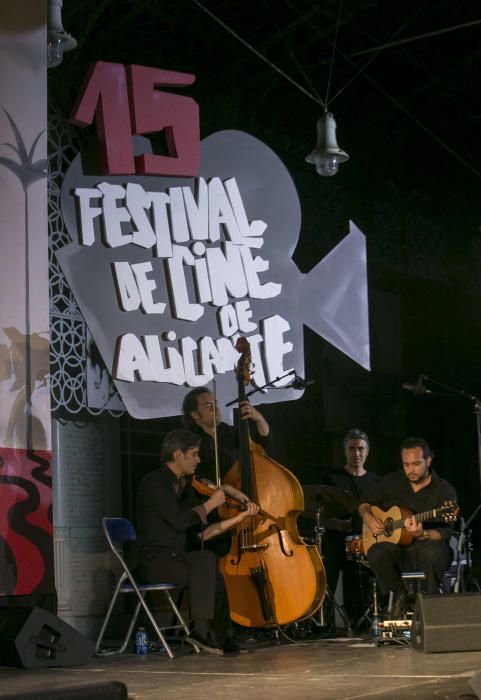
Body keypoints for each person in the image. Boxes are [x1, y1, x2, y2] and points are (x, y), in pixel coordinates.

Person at [135, 428, 259, 655]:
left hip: (176, 558)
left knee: (210, 565)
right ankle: (202, 633)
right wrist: (212, 503)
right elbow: (181, 521)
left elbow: (200, 534)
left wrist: (239, 517)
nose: (198, 460)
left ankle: (221, 636)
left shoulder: (184, 487)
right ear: (178, 455)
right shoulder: (154, 484)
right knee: (206, 564)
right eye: (194, 454)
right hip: (153, 562)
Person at [359, 436, 457, 617]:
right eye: (406, 464)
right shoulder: (392, 482)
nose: (411, 469)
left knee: (434, 552)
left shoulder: (444, 490)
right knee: (376, 550)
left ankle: (432, 607)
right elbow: (364, 502)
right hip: (400, 551)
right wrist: (368, 517)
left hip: (427, 548)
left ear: (429, 460)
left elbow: (446, 532)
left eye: (416, 464)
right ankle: (399, 597)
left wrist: (423, 533)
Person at [320, 429, 381, 625]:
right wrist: (334, 524)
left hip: (362, 539)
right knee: (327, 581)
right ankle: (325, 625)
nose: (357, 454)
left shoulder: (376, 481)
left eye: (361, 449)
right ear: (345, 451)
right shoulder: (332, 478)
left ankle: (359, 623)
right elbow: (320, 513)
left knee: (357, 580)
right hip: (336, 538)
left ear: (368, 451)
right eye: (352, 449)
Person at [182, 386, 272, 486]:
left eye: (215, 404)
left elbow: (263, 440)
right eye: (208, 406)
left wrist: (259, 419)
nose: (215, 408)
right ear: (194, 414)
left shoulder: (232, 432)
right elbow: (192, 479)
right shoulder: (188, 443)